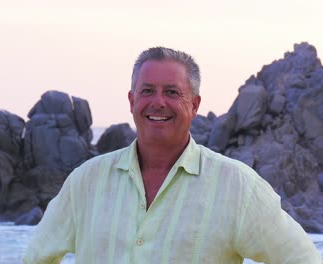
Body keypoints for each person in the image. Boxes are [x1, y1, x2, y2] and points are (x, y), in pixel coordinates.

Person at [22, 47, 321, 263]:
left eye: (172, 92)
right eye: (148, 91)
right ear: (131, 100)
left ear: (195, 104)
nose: (158, 102)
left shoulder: (237, 186)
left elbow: (302, 258)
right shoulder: (86, 181)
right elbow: (36, 257)